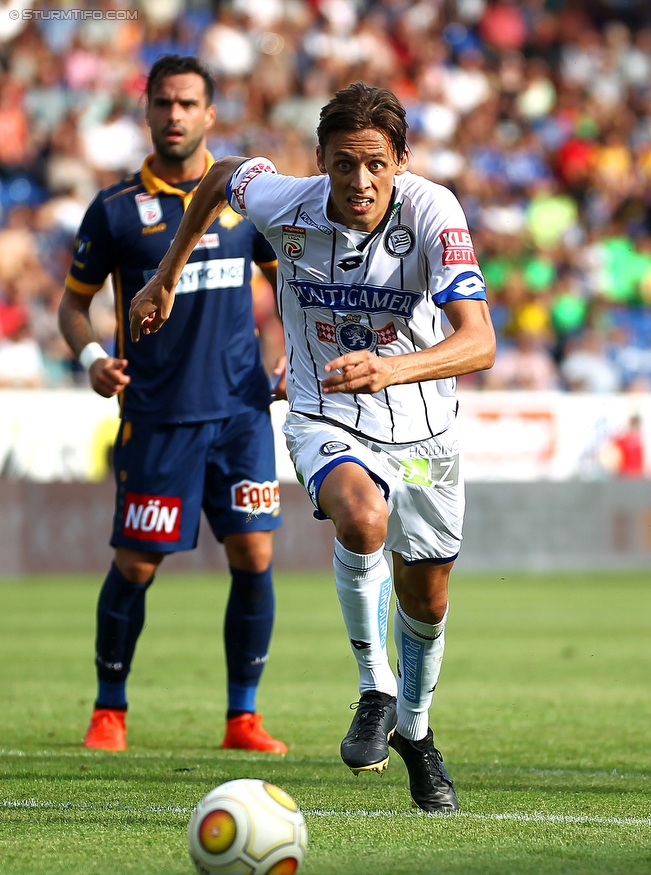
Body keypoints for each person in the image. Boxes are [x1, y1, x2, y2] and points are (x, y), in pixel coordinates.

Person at [129, 82, 496, 812]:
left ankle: (416, 735)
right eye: (341, 165)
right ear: (319, 162)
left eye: (374, 165)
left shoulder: (432, 212)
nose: (359, 182)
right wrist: (164, 276)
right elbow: (218, 175)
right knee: (361, 519)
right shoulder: (284, 202)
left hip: (424, 432)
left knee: (426, 598)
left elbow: (478, 341)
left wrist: (389, 367)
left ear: (398, 162)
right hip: (326, 413)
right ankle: (373, 689)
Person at [58, 55, 287, 755]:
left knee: (253, 553)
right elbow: (73, 306)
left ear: (210, 114)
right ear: (148, 112)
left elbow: (286, 291)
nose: (175, 115)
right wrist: (94, 358)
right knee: (136, 564)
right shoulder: (117, 210)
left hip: (242, 412)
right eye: (163, 103)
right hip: (158, 418)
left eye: (188, 103)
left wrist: (285, 354)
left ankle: (242, 718)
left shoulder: (250, 202)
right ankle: (110, 709)